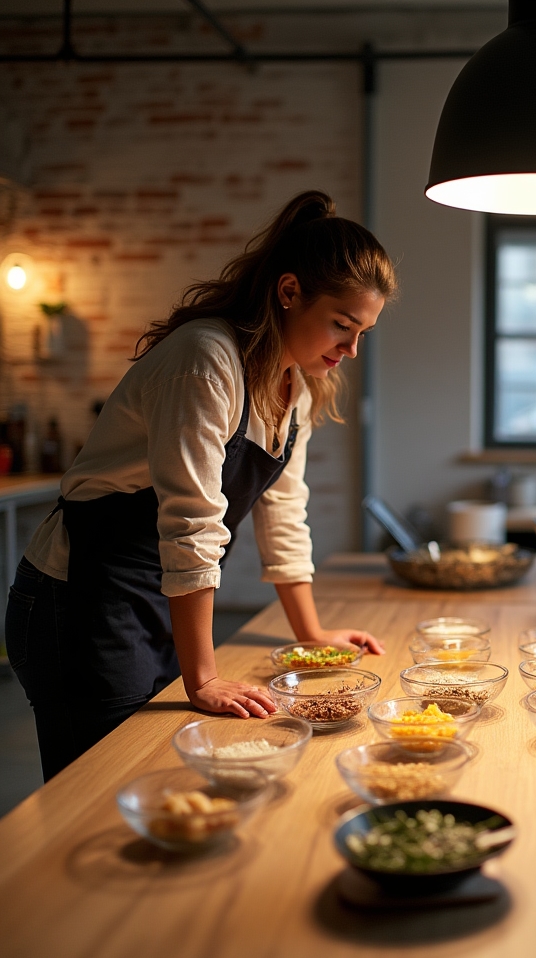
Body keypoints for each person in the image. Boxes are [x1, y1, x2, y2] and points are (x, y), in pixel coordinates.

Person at [5, 191, 394, 780]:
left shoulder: (299, 390)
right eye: (342, 325)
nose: (351, 348)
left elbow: (284, 512)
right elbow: (192, 522)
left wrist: (310, 633)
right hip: (80, 599)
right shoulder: (206, 360)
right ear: (289, 292)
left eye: (363, 331)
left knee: (153, 776)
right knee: (95, 792)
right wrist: (204, 677)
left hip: (158, 600)